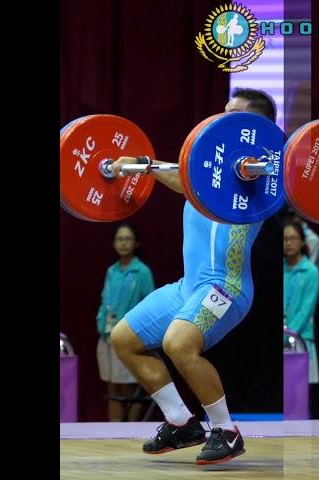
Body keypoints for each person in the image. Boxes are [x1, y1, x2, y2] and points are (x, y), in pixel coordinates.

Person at [109, 88, 277, 465]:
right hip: (189, 287)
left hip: (226, 287)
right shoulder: (210, 169)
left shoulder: (259, 171)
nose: (221, 119)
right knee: (124, 339)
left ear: (255, 127)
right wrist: (143, 166)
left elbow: (190, 180)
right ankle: (181, 421)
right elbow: (184, 178)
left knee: (179, 344)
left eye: (233, 115)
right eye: (223, 111)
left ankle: (226, 430)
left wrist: (149, 166)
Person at [95, 222, 154, 421]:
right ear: (114, 243)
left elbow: (149, 304)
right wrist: (100, 322)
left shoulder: (142, 271)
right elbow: (105, 301)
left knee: (129, 388)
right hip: (107, 336)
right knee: (112, 386)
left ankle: (130, 429)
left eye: (128, 239)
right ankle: (113, 429)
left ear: (136, 243)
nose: (123, 243)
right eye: (120, 239)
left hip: (129, 337)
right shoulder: (112, 271)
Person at [283, 220, 319, 386]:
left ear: (302, 241)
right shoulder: (280, 268)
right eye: (285, 239)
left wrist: (288, 333)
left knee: (296, 394)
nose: (289, 243)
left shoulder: (311, 271)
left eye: (293, 238)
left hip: (299, 338)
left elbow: (307, 309)